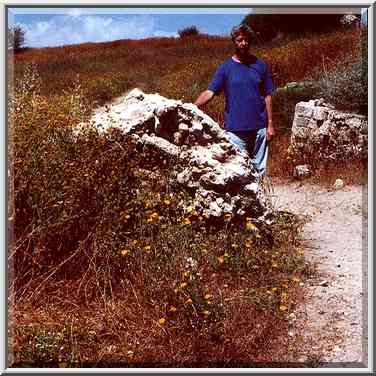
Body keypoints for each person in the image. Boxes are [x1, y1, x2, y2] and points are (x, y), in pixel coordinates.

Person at [194, 23, 275, 179]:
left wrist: (270, 124)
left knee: (260, 172)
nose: (243, 43)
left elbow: (267, 95)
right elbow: (210, 92)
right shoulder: (225, 68)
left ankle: (260, 202)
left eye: (246, 40)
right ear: (234, 42)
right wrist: (192, 106)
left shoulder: (261, 66)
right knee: (238, 173)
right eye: (239, 40)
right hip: (235, 131)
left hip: (260, 129)